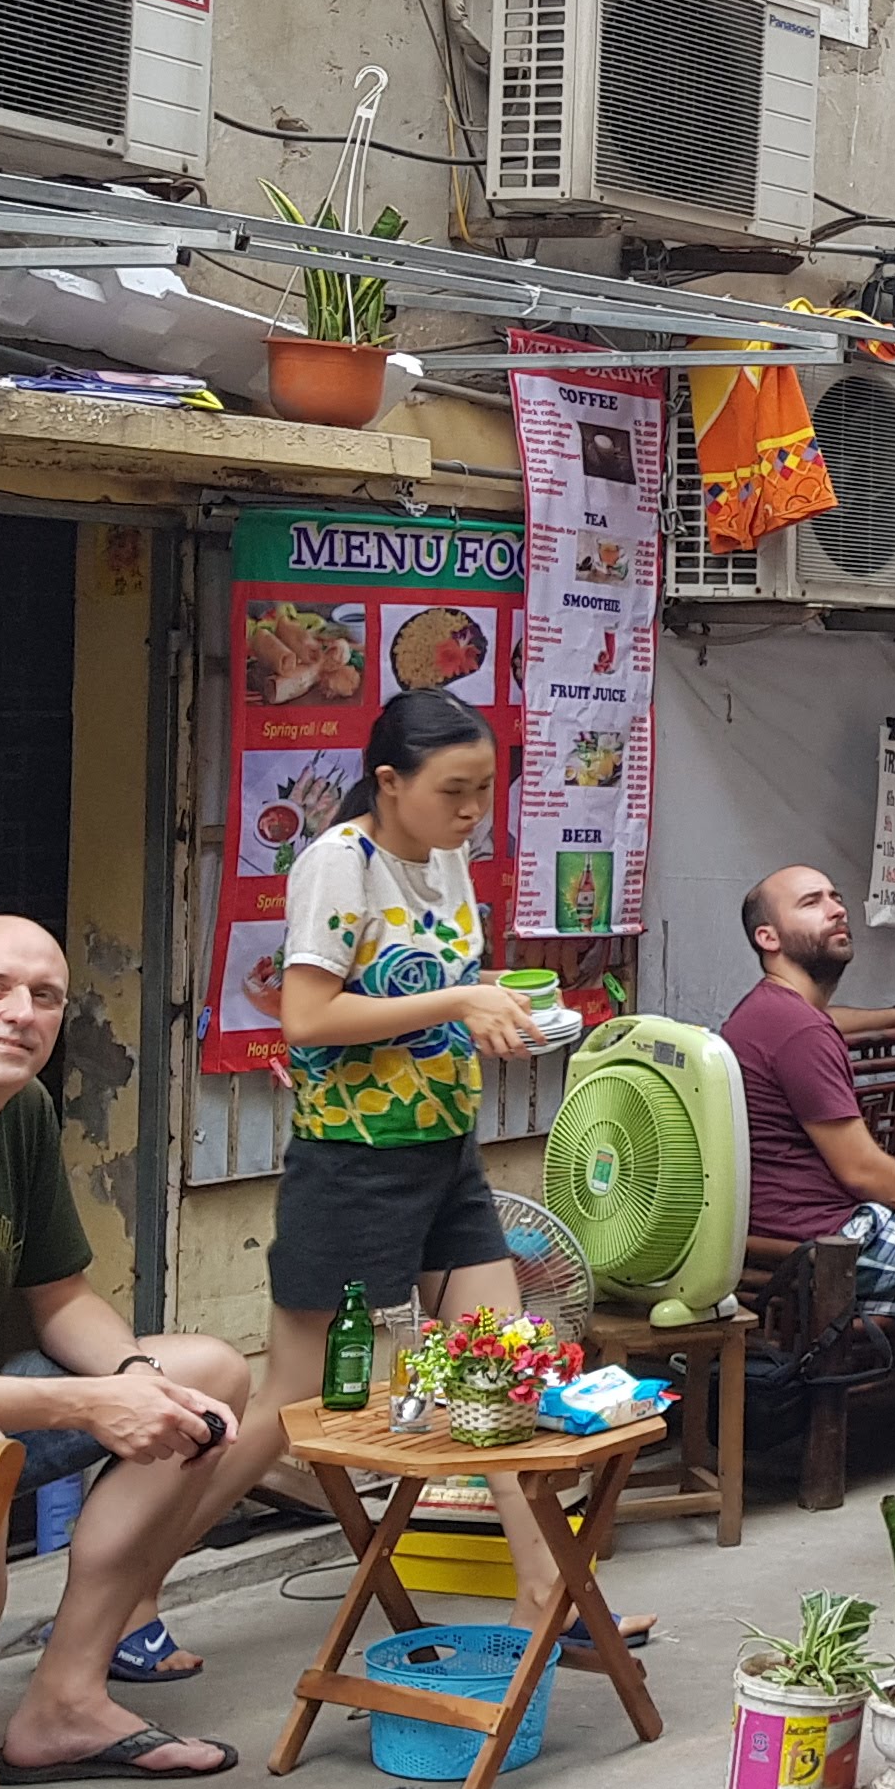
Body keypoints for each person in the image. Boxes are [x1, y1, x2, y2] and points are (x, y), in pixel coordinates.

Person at [0, 919, 258, 1789]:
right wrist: (74, 1402)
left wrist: (133, 1379)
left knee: (208, 1373)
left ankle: (64, 1700)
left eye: (45, 997)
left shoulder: (20, 1116)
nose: (20, 1014)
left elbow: (61, 1297)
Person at [261, 692, 573, 1626]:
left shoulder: (447, 856)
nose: (473, 813)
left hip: (446, 1150)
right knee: (287, 1406)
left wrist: (490, 1016)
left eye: (485, 792)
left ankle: (545, 1588)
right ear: (389, 782)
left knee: (499, 1371)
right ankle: (127, 1591)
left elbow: (442, 991)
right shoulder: (337, 863)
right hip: (353, 1162)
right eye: (456, 792)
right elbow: (308, 1016)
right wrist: (457, 1003)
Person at [721, 865, 895, 1252]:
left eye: (836, 898)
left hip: (786, 1232)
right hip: (828, 1239)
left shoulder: (770, 1011)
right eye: (811, 902)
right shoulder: (798, 1030)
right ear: (768, 937)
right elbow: (861, 1169)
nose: (837, 910)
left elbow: (825, 1021)